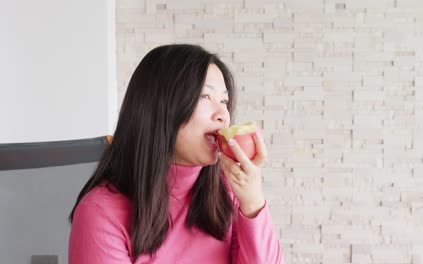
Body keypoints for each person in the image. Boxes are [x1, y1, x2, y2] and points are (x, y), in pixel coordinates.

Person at [68, 44, 284, 263]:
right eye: (205, 97)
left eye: (224, 101)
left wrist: (253, 204)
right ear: (161, 107)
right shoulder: (101, 213)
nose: (223, 115)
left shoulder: (229, 193)